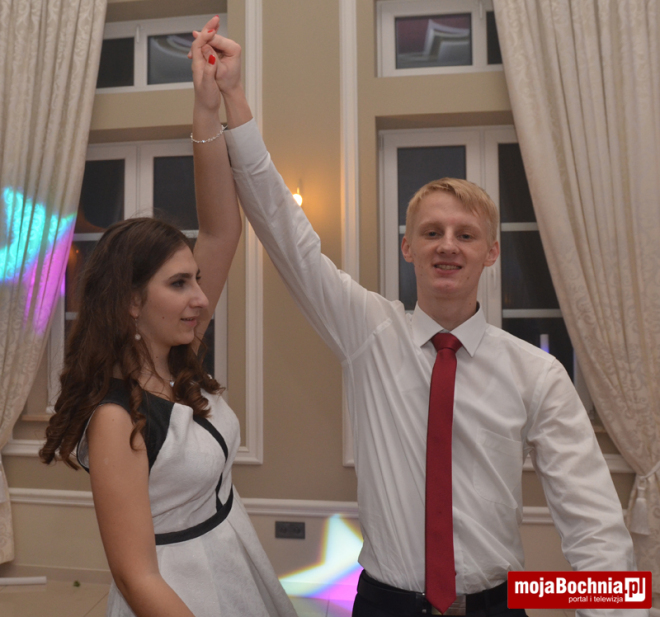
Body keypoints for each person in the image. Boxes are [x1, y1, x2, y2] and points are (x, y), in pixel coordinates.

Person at [192, 21, 645, 617]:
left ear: (491, 252)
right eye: (431, 232)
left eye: (465, 234)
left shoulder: (537, 374)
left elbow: (595, 525)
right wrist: (233, 99)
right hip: (386, 603)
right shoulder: (369, 333)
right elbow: (285, 232)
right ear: (407, 248)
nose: (447, 245)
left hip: (498, 603)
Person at [39, 21, 297, 617]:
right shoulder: (114, 418)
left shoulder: (178, 355)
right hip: (179, 594)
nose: (200, 298)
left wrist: (208, 106)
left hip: (235, 562)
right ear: (132, 301)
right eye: (179, 284)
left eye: (196, 280)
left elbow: (222, 230)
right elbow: (136, 578)